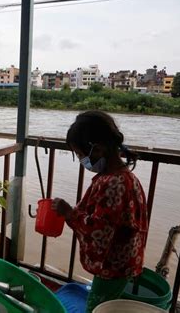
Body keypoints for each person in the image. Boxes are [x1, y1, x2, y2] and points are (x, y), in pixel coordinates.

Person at [52, 110, 148, 312]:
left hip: (114, 266)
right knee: (107, 303)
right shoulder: (120, 177)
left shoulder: (115, 184)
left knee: (97, 307)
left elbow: (99, 232)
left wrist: (69, 213)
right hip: (120, 263)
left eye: (80, 154)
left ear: (98, 148)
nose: (81, 160)